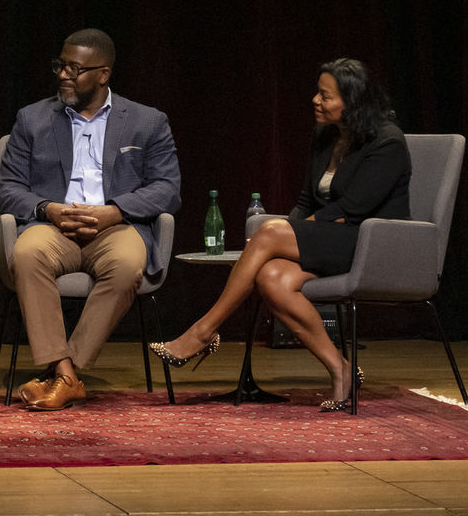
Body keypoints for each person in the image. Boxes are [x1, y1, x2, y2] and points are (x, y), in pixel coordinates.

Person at [151, 58, 410, 412]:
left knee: (271, 232)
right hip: (334, 239)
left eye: (325, 96)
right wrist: (287, 236)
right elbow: (306, 201)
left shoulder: (387, 142)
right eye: (317, 93)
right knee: (271, 277)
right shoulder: (326, 135)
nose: (315, 101)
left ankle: (203, 330)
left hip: (372, 242)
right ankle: (341, 369)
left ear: (352, 101)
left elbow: (352, 210)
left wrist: (284, 235)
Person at [0, 29, 182, 410]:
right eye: (60, 65)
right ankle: (66, 372)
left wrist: (114, 210)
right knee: (28, 253)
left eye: (75, 68)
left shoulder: (147, 122)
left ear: (103, 74)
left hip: (116, 225)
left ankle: (64, 373)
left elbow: (167, 189)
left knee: (129, 263)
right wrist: (49, 208)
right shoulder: (32, 119)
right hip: (54, 227)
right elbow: (8, 188)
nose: (64, 75)